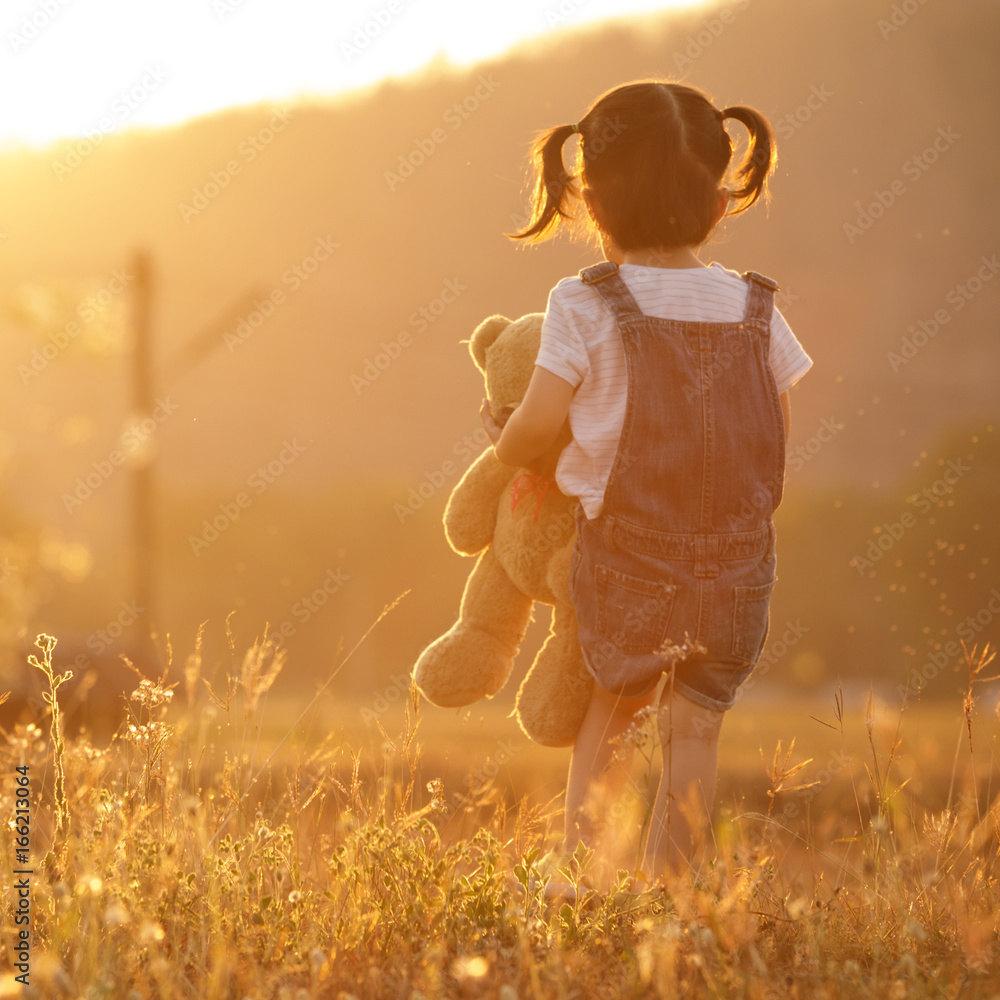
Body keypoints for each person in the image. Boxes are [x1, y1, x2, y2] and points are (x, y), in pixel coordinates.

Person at [480, 80, 812, 892]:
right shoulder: (756, 306)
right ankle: (677, 893)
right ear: (724, 191)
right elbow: (771, 436)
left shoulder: (584, 302)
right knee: (697, 731)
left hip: (628, 555)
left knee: (616, 706)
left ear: (586, 197)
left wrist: (504, 445)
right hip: (737, 565)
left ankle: (581, 879)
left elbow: (535, 424)